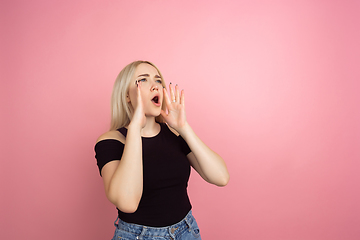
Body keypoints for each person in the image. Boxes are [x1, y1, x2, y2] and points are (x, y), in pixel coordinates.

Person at [94, 60, 229, 240]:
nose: (155, 86)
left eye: (158, 80)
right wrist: (135, 128)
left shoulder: (174, 133)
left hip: (186, 232)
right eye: (143, 80)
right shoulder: (112, 141)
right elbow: (127, 203)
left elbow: (221, 177)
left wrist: (184, 127)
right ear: (127, 95)